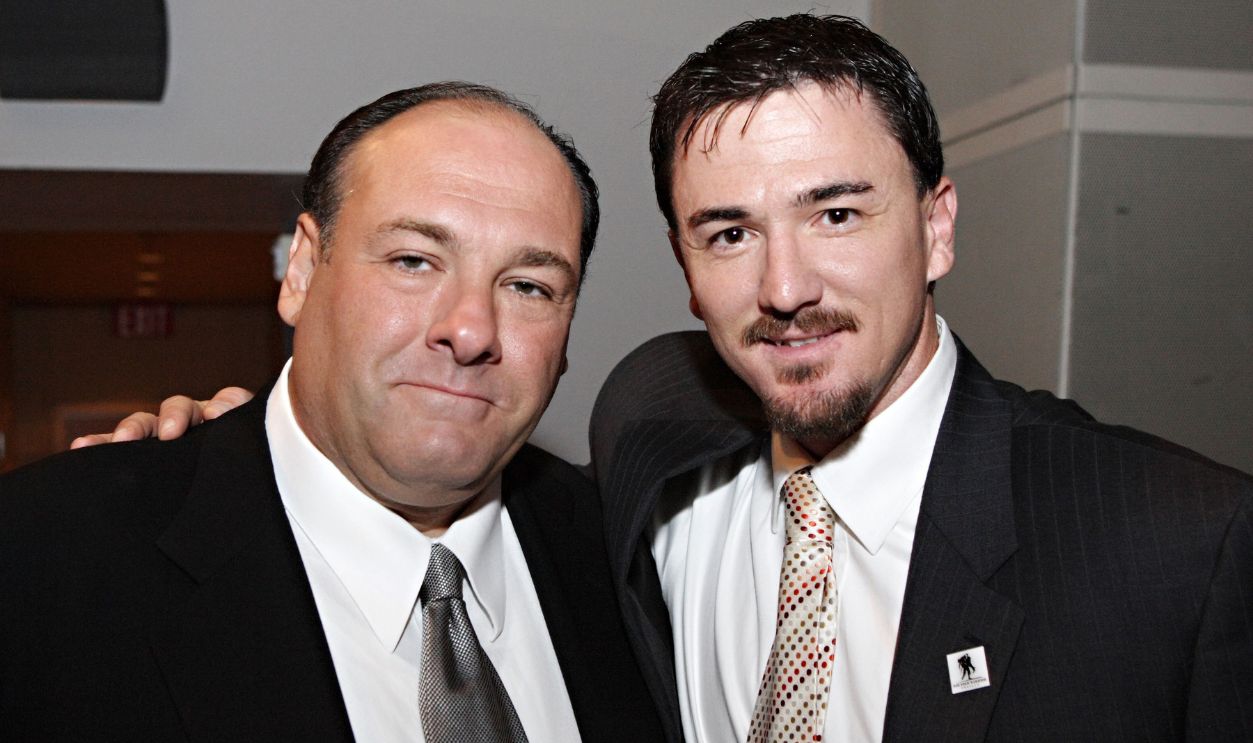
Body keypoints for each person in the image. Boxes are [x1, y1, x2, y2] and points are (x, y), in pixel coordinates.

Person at [79, 14, 1253, 743]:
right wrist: (228, 464)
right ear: (684, 268)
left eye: (835, 212)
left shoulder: (1173, 543)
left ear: (935, 226)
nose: (784, 284)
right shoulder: (649, 442)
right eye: (728, 232)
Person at [0, 82, 664, 742]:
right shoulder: (47, 562)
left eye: (528, 285)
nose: (470, 330)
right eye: (413, 260)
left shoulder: (635, 561)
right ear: (303, 271)